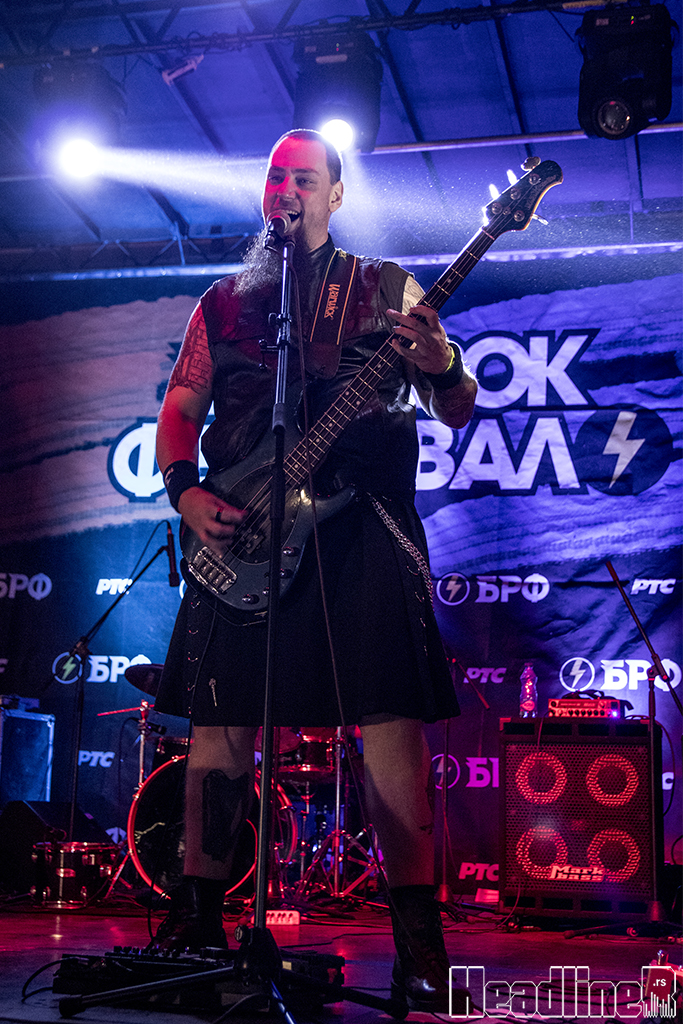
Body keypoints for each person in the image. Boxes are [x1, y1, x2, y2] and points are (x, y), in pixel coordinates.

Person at [153, 128, 477, 1012]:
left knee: (389, 724)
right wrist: (185, 492)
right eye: (275, 177)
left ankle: (418, 944)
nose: (286, 190)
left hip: (361, 526)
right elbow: (181, 407)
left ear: (335, 195)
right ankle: (197, 920)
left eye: (304, 178)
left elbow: (455, 407)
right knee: (219, 726)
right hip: (243, 531)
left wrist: (441, 361)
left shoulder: (384, 285)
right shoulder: (223, 303)